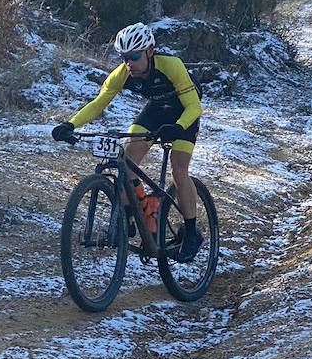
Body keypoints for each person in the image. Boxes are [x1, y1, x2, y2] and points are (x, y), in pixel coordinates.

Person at [52, 23, 204, 261]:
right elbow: (98, 103)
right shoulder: (122, 74)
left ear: (149, 51)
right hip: (156, 110)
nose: (129, 63)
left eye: (134, 56)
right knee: (126, 159)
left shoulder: (171, 66)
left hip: (184, 112)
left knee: (179, 169)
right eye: (124, 57)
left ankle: (192, 232)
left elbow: (194, 106)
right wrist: (70, 124)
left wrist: (179, 127)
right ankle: (136, 213)